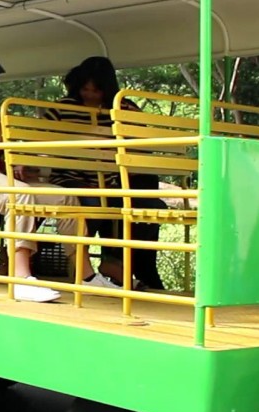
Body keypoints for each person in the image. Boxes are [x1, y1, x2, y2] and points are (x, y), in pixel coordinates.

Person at [0, 43, 83, 303]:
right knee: (20, 196)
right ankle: (21, 278)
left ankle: (83, 274)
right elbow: (3, 137)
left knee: (66, 199)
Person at [44, 56, 168, 289]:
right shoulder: (61, 109)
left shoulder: (123, 108)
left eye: (96, 91)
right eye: (85, 89)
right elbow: (41, 141)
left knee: (151, 207)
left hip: (111, 182)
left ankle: (118, 263)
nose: (90, 95)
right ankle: (89, 269)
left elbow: (145, 145)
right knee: (93, 202)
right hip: (72, 180)